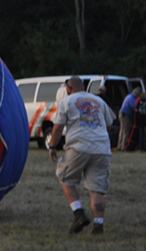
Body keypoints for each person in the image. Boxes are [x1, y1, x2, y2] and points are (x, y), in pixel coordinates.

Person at [47, 75, 116, 235]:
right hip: (102, 149)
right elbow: (109, 124)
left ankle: (78, 213)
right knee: (97, 189)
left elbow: (57, 127)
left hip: (79, 147)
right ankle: (98, 225)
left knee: (65, 177)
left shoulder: (66, 102)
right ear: (84, 87)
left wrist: (52, 146)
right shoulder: (99, 101)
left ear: (68, 89)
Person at [117, 87, 141, 151]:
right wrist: (138, 111)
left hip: (121, 114)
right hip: (125, 116)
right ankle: (124, 147)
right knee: (126, 131)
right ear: (135, 93)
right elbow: (134, 107)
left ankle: (119, 146)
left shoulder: (128, 96)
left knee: (122, 131)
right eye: (138, 95)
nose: (137, 97)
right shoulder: (131, 98)